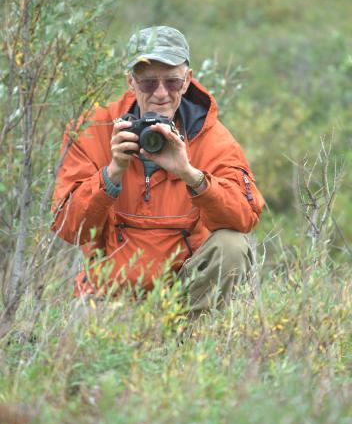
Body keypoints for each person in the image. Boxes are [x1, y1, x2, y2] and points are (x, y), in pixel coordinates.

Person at [51, 25, 265, 316]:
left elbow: (246, 216)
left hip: (184, 300)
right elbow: (69, 228)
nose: (161, 94)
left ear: (187, 81)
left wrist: (191, 174)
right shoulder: (93, 130)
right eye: (149, 83)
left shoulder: (210, 136)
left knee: (232, 244)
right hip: (109, 297)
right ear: (131, 82)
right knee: (86, 341)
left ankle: (192, 339)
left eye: (173, 82)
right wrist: (112, 173)